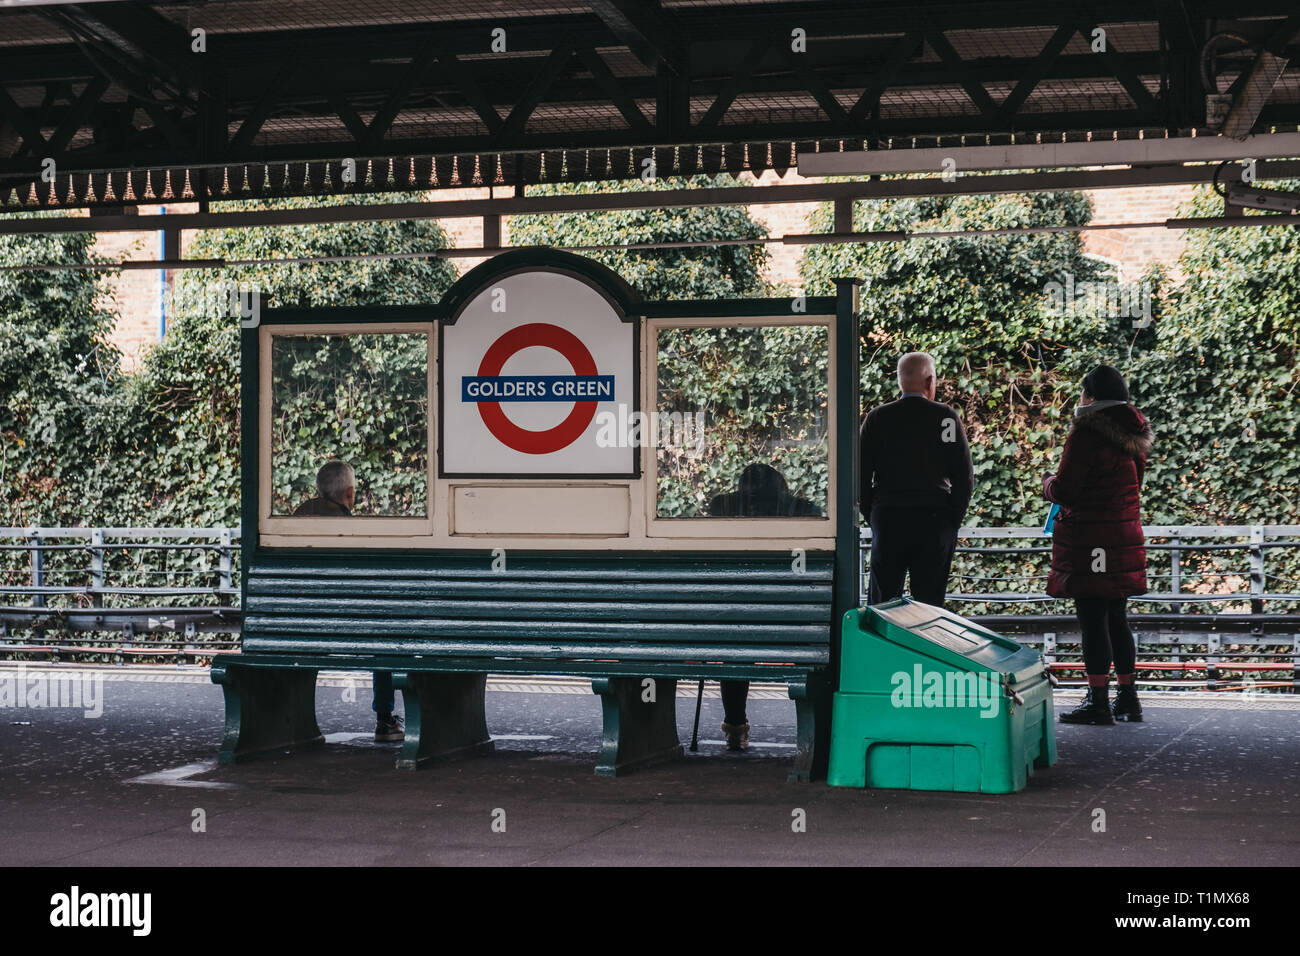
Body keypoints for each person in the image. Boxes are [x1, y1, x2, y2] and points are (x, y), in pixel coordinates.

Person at [1043, 364, 1153, 725]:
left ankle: (1098, 701)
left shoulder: (1086, 434)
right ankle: (1128, 697)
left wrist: (1048, 484)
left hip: (1092, 540)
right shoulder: (1134, 434)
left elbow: (1068, 491)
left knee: (1092, 617)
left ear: (1089, 396)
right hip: (1123, 535)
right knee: (1116, 616)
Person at [707, 463, 821, 751]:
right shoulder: (806, 510)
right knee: (810, 651)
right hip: (793, 620)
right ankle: (814, 734)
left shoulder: (722, 507)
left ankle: (735, 726)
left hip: (738, 617)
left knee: (734, 648)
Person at [293, 460, 404, 743]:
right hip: (349, 627)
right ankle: (384, 720)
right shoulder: (351, 527)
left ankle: (288, 720)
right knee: (384, 636)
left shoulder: (296, 518)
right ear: (350, 493)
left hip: (294, 624)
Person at [859, 352, 973, 607]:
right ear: (930, 380)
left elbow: (861, 478)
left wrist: (875, 514)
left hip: (889, 520)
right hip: (934, 521)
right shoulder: (945, 417)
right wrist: (950, 519)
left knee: (882, 605)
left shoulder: (878, 418)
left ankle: (882, 648)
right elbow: (963, 478)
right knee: (930, 606)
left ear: (899, 381)